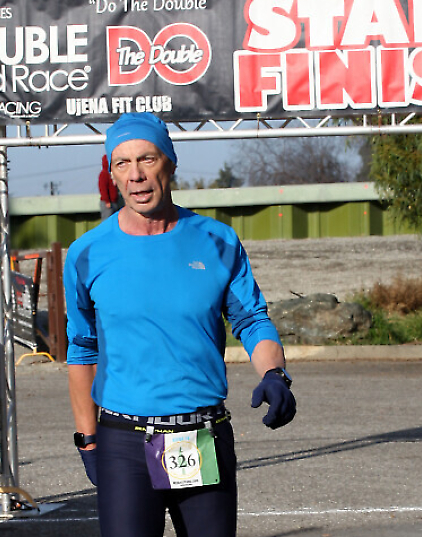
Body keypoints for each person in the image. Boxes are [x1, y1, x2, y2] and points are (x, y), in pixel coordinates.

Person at [64, 112, 296, 537]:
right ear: (112, 174)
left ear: (170, 164)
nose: (136, 175)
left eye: (147, 159)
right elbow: (82, 348)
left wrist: (274, 374)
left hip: (203, 435)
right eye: (122, 163)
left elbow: (251, 320)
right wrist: (87, 437)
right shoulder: (87, 253)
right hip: (124, 443)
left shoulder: (217, 241)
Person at [98, 154, 122, 219]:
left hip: (114, 202)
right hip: (108, 203)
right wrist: (107, 201)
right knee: (107, 219)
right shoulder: (104, 174)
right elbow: (103, 189)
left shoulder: (112, 174)